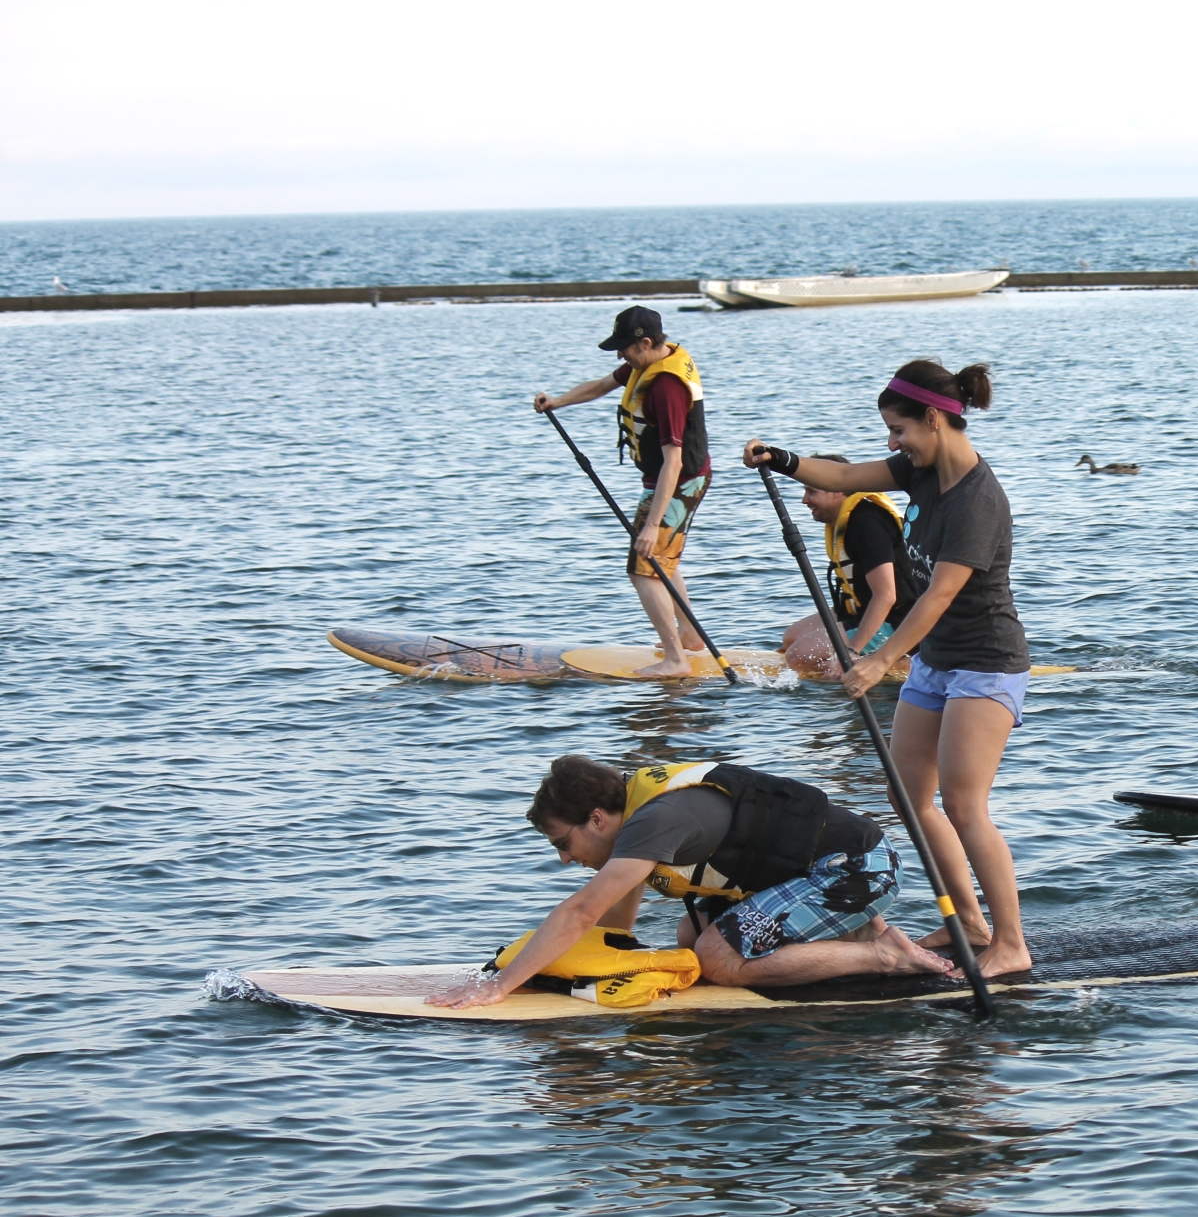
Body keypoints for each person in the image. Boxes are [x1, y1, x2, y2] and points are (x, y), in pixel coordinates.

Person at [742, 360, 1035, 976]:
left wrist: (878, 660)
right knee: (908, 796)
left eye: (898, 430)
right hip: (936, 661)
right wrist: (782, 458)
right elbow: (845, 475)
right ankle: (971, 922)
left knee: (963, 803)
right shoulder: (918, 470)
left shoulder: (978, 500)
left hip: (985, 664)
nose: (892, 443)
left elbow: (937, 597)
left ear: (933, 419)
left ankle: (1010, 942)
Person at [425, 754, 952, 1008]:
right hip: (830, 873)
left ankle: (885, 956)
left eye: (563, 842)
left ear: (597, 820)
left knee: (718, 960)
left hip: (856, 870)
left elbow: (580, 913)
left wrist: (498, 986)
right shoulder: (634, 830)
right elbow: (613, 927)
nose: (564, 858)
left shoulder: (654, 821)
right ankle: (873, 939)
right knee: (687, 939)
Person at [533, 306, 711, 676]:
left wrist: (651, 524)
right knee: (661, 559)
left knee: (643, 567)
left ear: (646, 342)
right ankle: (691, 638)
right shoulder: (647, 363)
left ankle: (676, 660)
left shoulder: (666, 388)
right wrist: (559, 401)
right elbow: (601, 386)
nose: (620, 354)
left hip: (679, 481)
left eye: (625, 347)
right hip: (669, 480)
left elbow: (674, 463)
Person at [779, 454, 916, 676]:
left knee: (798, 656)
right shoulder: (850, 520)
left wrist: (851, 651)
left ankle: (899, 660)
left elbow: (887, 595)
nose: (805, 500)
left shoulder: (867, 524)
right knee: (792, 637)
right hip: (861, 610)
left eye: (812, 491)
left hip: (900, 621)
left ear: (836, 489)